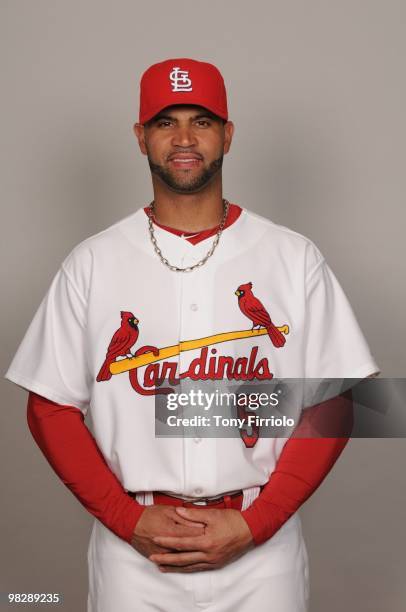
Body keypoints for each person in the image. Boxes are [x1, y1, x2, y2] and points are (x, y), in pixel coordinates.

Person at [4, 57, 380, 611]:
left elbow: (335, 401)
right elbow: (49, 407)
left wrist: (260, 522)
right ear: (141, 137)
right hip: (133, 553)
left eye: (201, 121)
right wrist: (126, 520)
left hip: (260, 549)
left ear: (227, 134)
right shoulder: (93, 262)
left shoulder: (292, 257)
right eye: (165, 122)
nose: (183, 138)